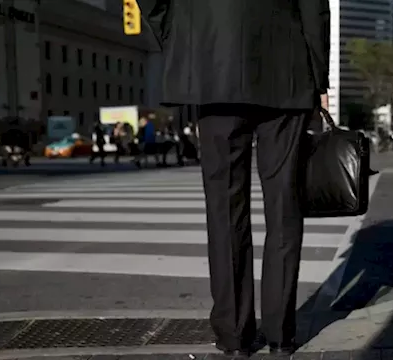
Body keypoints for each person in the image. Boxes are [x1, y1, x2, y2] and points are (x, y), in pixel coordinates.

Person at [139, 0, 330, 356]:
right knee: (284, 205)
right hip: (285, 70)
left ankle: (235, 335)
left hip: (211, 61)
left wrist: (184, 37)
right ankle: (281, 334)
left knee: (225, 210)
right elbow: (313, 7)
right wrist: (318, 77)